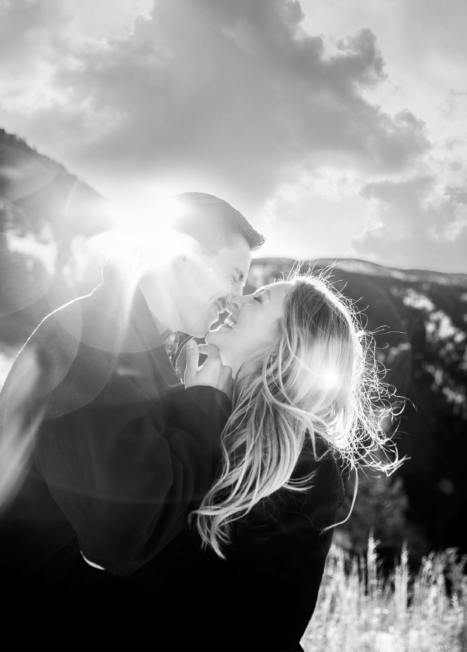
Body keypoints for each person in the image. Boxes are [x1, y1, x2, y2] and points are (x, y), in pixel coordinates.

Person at [0, 192, 264, 646]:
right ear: (181, 259)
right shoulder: (97, 340)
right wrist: (203, 406)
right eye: (233, 276)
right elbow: (125, 535)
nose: (235, 298)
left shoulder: (137, 343)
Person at [131, 271, 398, 652]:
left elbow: (268, 626)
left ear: (287, 344)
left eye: (257, 300)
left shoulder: (306, 463)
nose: (236, 300)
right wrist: (196, 405)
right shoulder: (184, 404)